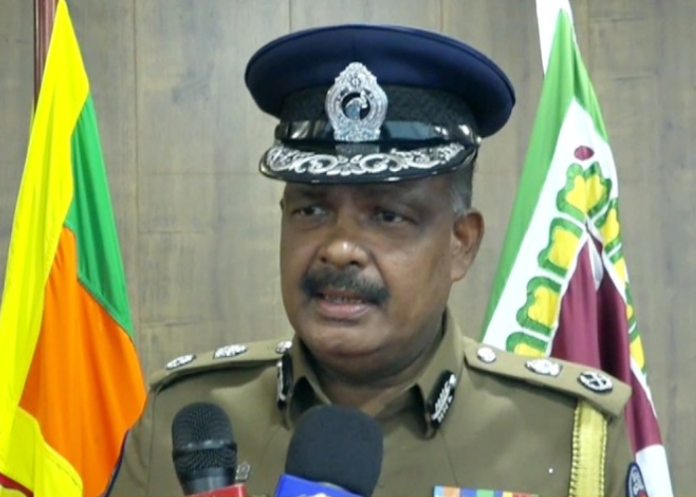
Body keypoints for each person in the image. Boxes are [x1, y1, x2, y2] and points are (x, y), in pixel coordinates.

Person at [106, 24, 642, 497]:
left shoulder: (568, 439)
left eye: (388, 216)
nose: (339, 248)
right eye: (312, 210)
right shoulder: (189, 423)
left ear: (461, 243)